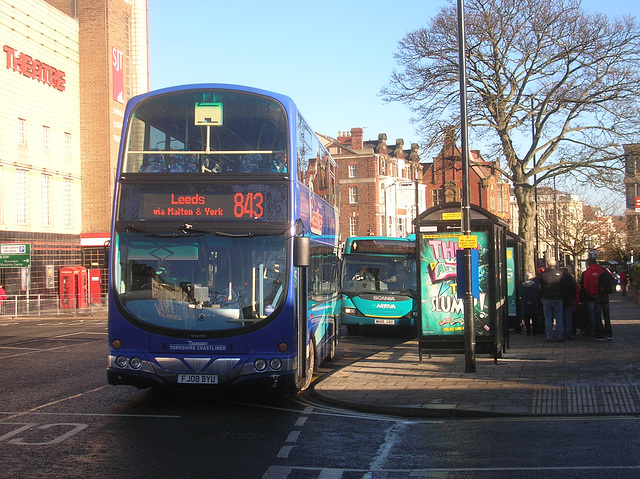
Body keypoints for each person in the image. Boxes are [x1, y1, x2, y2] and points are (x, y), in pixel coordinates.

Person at [538, 258, 564, 342]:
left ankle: (549, 336)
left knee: (548, 317)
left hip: (547, 298)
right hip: (558, 298)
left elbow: (540, 287)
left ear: (547, 265)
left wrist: (541, 296)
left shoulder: (543, 274)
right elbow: (564, 286)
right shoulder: (560, 274)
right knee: (559, 317)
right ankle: (560, 335)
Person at [581, 257, 600, 338]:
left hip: (590, 296)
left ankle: (591, 329)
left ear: (587, 264)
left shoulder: (587, 273)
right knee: (599, 313)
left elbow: (585, 286)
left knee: (590, 313)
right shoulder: (602, 270)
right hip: (601, 295)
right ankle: (600, 329)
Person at [561, 267, 578, 339]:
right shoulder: (571, 279)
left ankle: (562, 332)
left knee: (561, 317)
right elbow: (575, 289)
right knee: (569, 317)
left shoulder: (560, 279)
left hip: (561, 300)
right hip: (570, 300)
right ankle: (569, 332)